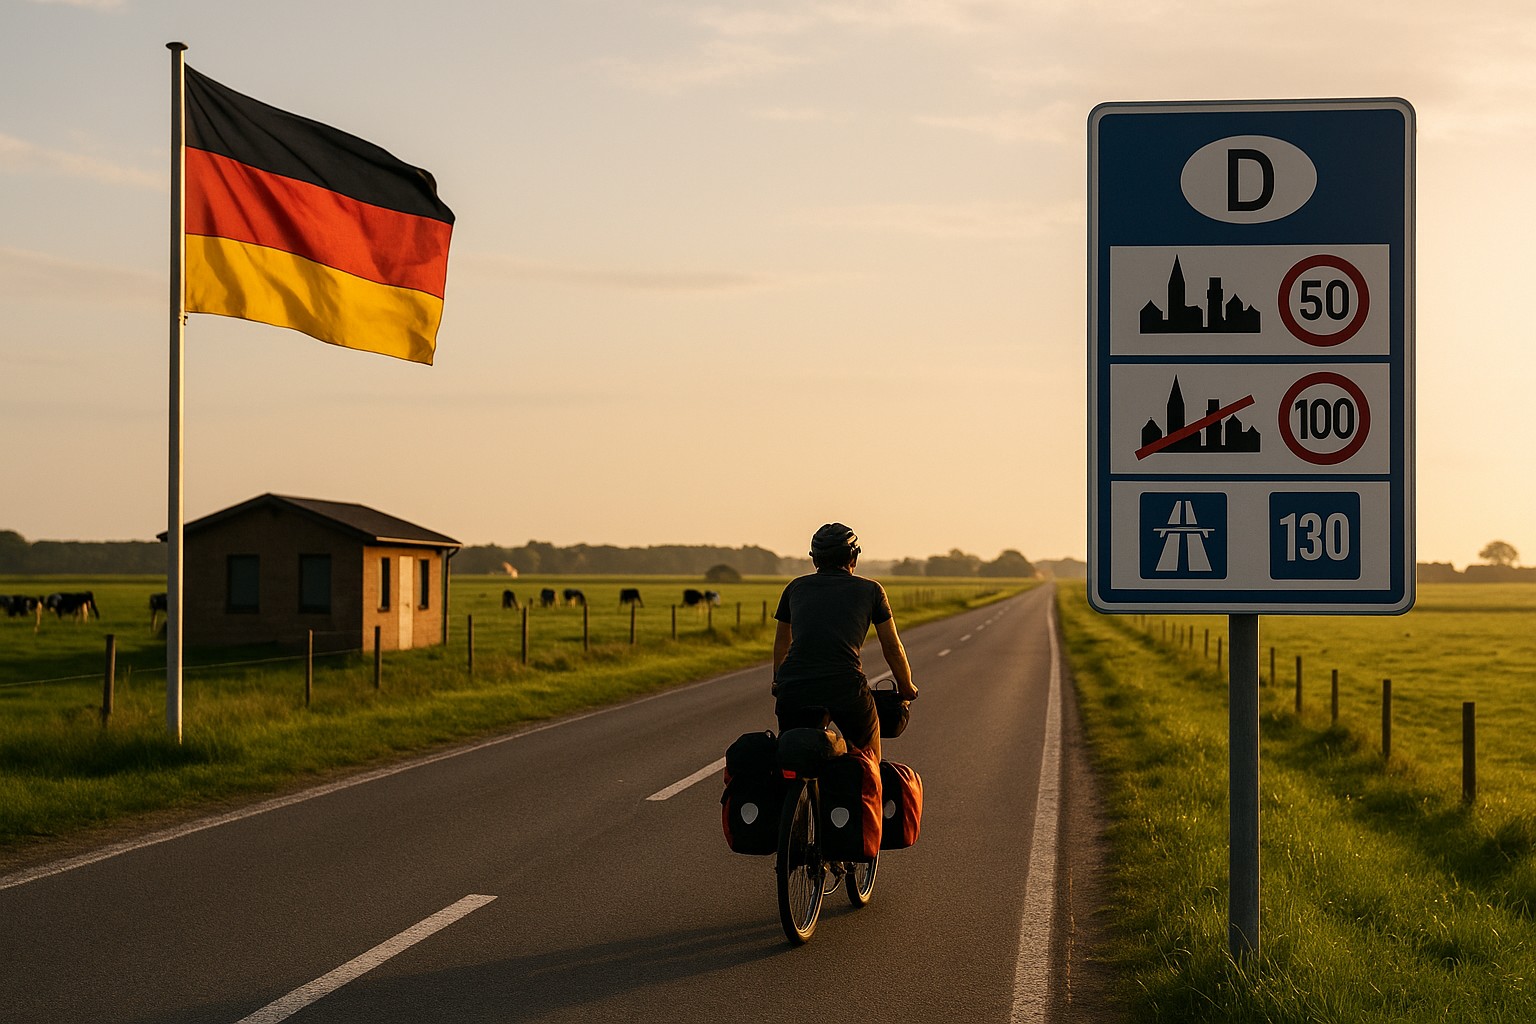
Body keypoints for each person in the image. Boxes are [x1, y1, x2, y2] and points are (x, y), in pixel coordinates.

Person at [771, 523, 917, 760]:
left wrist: (779, 681)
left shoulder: (795, 588)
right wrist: (906, 686)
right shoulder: (871, 590)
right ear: (854, 556)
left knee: (791, 753)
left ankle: (789, 793)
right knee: (868, 759)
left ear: (814, 559)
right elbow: (892, 647)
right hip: (846, 687)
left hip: (795, 686)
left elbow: (782, 643)